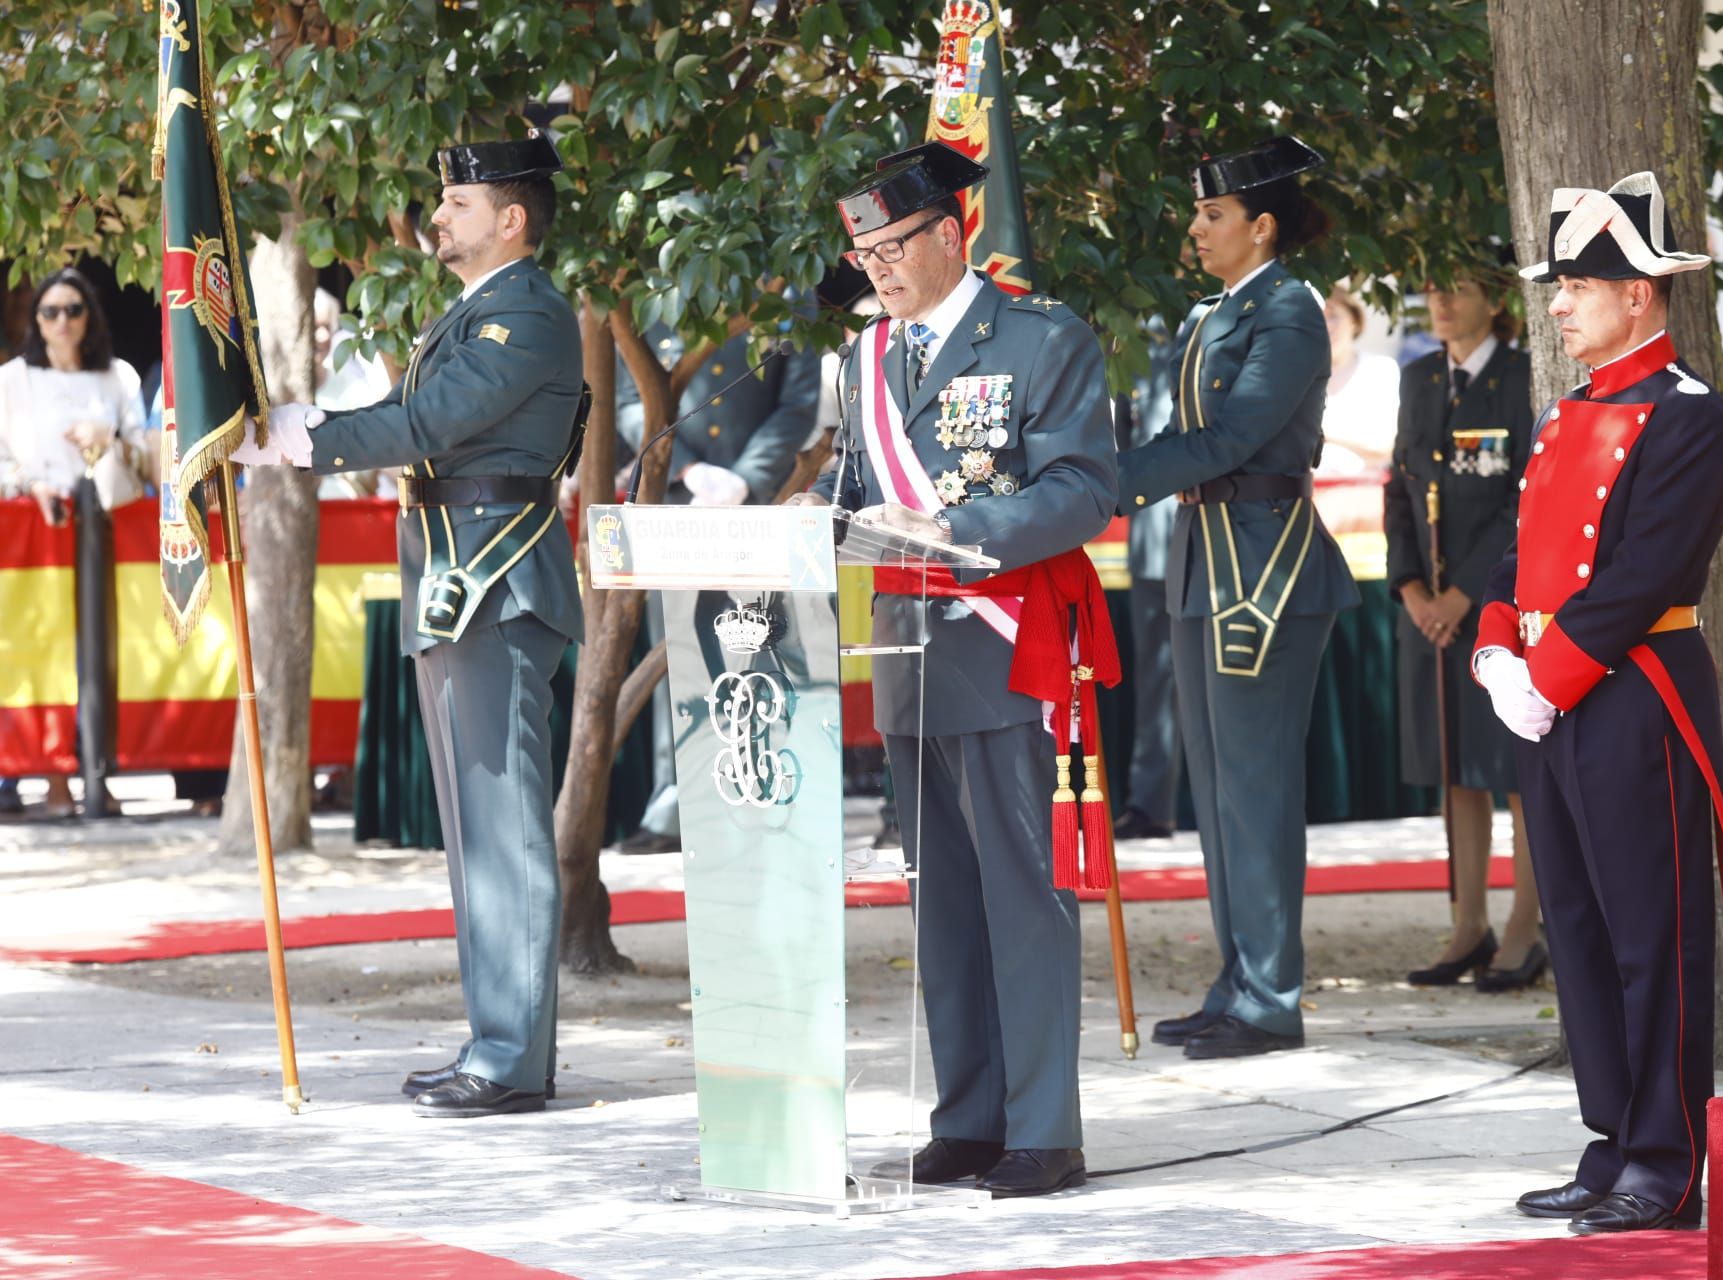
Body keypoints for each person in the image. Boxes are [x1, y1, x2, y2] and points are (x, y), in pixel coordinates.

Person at [237, 134, 586, 1119]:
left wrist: (294, 435)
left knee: (504, 831)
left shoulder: (527, 312)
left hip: (498, 579)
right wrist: (297, 426)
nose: (439, 218)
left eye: (460, 204)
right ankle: (500, 1041)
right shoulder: (478, 310)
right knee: (475, 832)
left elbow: (432, 421)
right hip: (456, 575)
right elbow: (417, 413)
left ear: (510, 219)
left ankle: (511, 1054)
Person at [794, 141, 1117, 1198]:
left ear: (950, 233)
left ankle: (1043, 1127)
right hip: (906, 649)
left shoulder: (1040, 337)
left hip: (1004, 637)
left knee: (1024, 891)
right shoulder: (867, 360)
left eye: (893, 246)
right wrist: (820, 518)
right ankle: (969, 1115)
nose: (878, 268)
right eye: (864, 252)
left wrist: (956, 528)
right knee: (941, 897)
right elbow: (857, 480)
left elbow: (1080, 487)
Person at [1475, 171, 1723, 1234]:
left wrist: (1546, 674)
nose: (1560, 301)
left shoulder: (1688, 416)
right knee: (1579, 928)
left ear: (1640, 293)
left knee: (1651, 934)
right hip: (1554, 697)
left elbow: (1639, 577)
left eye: (1580, 282)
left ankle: (1668, 1160)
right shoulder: (1563, 413)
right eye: (1560, 283)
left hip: (1633, 698)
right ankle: (1614, 1137)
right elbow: (1518, 552)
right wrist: (1500, 652)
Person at [1118, 136, 1359, 1060]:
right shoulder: (1219, 309)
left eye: (1211, 214)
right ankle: (1240, 979)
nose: (1195, 227)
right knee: (1216, 793)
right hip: (1206, 562)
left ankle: (1271, 996)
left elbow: (1231, 437)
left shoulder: (1289, 311)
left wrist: (1104, 480)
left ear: (1260, 226)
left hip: (1263, 568)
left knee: (1255, 791)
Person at [1384, 271, 1544, 992]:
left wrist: (1464, 595)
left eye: (1457, 289)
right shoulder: (1419, 376)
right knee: (1453, 769)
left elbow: (1525, 502)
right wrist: (1413, 588)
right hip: (1432, 614)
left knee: (1512, 771)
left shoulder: (1519, 376)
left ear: (1497, 300)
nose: (1440, 303)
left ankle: (1525, 928)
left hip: (1497, 611)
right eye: (1431, 289)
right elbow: (1401, 488)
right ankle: (1467, 924)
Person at [614, 325, 820, 855]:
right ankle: (676, 799)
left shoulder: (784, 287)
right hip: (682, 498)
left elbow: (797, 402)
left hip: (764, 500)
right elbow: (628, 399)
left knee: (765, 651)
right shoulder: (648, 290)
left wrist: (746, 478)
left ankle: (768, 790)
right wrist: (690, 468)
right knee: (679, 656)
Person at [0, 266, 148, 819]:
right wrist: (26, 483)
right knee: (45, 653)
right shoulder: (12, 380)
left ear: (90, 316)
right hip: (37, 536)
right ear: (35, 321)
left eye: (73, 309)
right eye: (50, 312)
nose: (62, 322)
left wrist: (105, 437)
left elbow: (148, 448)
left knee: (105, 654)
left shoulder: (120, 377)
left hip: (105, 533)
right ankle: (54, 779)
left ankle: (100, 775)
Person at [1111, 332, 1180, 841]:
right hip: (1152, 537)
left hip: (1207, 531)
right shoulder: (1134, 340)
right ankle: (1150, 803)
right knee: (1155, 685)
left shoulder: (1216, 325)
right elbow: (1122, 446)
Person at [1316, 285, 1400, 475]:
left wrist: (1322, 434)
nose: (1327, 326)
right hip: (1307, 495)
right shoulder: (1296, 376)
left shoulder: (1380, 370)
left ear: (1354, 319)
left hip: (1365, 491)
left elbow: (1386, 446)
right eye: (1318, 318)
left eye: (1333, 316)